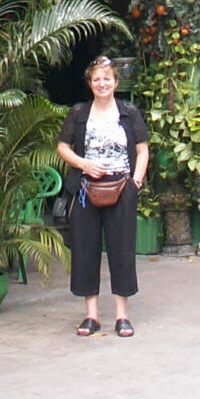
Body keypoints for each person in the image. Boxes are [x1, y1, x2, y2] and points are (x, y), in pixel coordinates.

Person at [56, 55, 149, 337]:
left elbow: (142, 149)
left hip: (122, 188)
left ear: (116, 82)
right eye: (97, 79)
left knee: (122, 250)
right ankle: (91, 315)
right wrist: (84, 164)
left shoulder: (129, 112)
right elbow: (63, 147)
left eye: (107, 78)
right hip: (87, 189)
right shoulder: (79, 113)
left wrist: (136, 181)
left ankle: (122, 316)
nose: (102, 83)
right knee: (85, 249)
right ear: (90, 83)